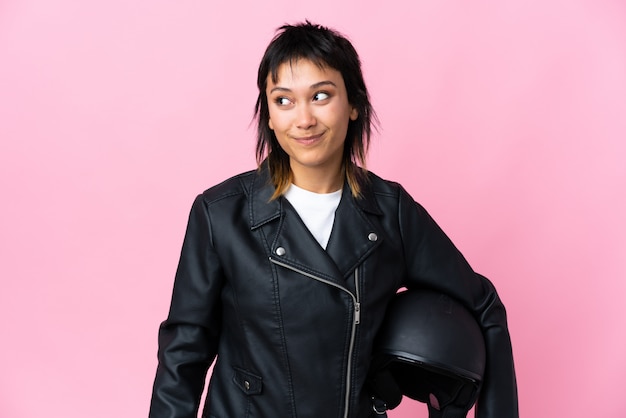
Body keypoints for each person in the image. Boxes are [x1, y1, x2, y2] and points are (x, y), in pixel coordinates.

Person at [149, 21, 518, 418]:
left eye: (321, 96)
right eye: (284, 101)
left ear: (354, 104)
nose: (303, 119)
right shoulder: (221, 213)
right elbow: (184, 350)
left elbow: (484, 306)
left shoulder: (390, 211)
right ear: (269, 116)